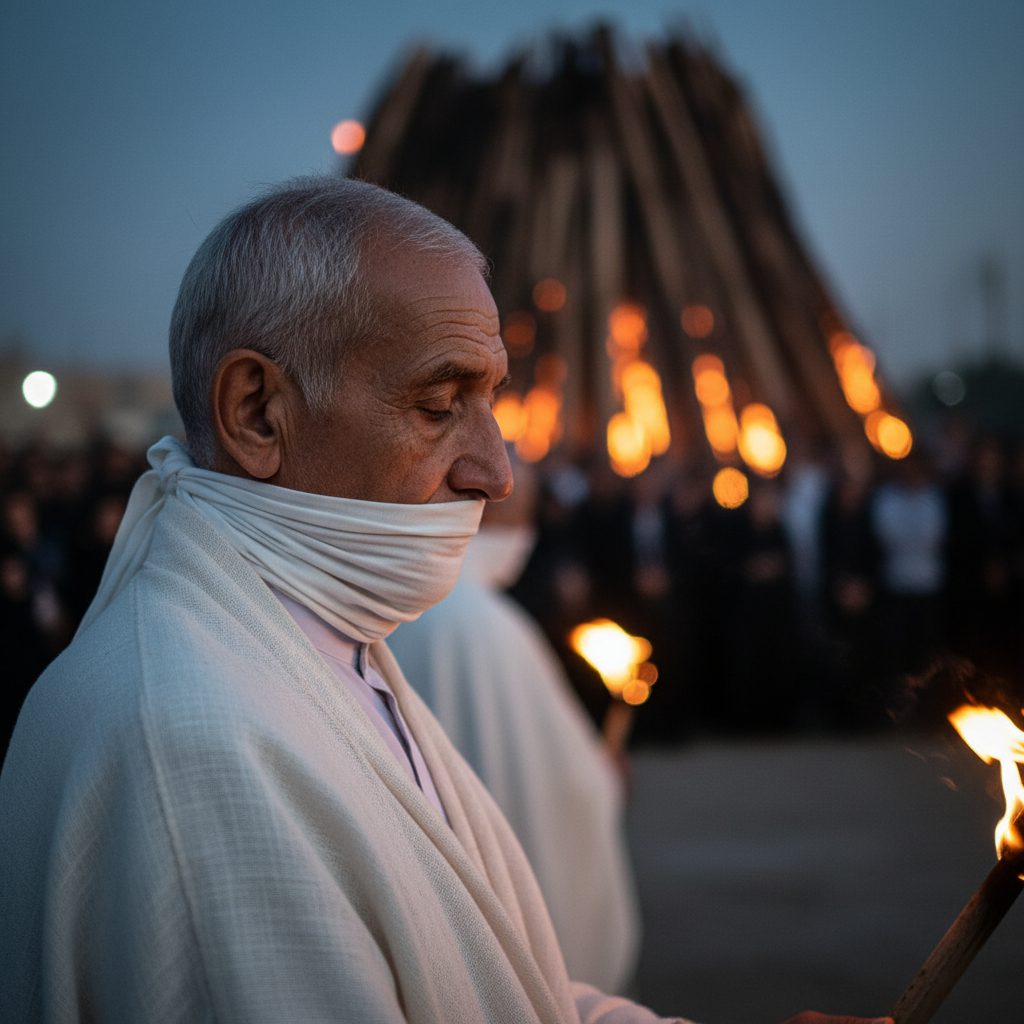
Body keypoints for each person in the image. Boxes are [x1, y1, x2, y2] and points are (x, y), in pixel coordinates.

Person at [0, 177, 890, 1024]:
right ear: (258, 412)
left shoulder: (309, 639)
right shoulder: (190, 743)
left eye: (489, 400)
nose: (495, 471)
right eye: (438, 404)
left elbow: (492, 992)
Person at [388, 457, 642, 994]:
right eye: (521, 517)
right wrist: (603, 776)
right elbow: (558, 784)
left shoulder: (394, 598)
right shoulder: (486, 628)